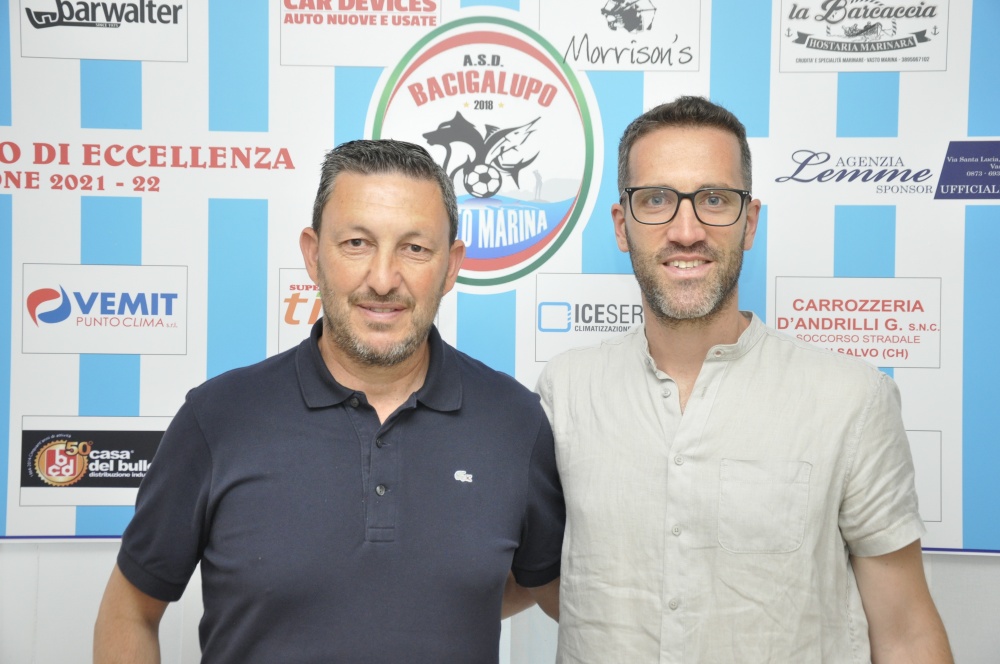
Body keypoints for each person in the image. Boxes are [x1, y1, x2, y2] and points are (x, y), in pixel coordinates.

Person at [94, 139, 563, 663]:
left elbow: (551, 588)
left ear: (451, 265)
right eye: (357, 243)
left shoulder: (514, 423)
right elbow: (130, 612)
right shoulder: (217, 419)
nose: (382, 280)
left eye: (414, 248)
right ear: (313, 255)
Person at [537, 96, 952, 662]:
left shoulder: (851, 400)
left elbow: (905, 633)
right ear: (622, 225)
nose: (686, 231)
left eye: (714, 199)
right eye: (656, 199)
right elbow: (537, 578)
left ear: (749, 222)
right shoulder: (564, 392)